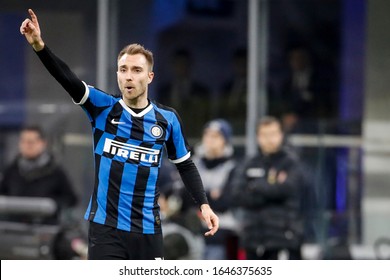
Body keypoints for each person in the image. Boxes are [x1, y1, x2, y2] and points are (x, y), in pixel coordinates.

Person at [20, 9, 218, 260]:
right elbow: (67, 78)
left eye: (136, 70)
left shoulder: (167, 119)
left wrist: (204, 204)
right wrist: (39, 46)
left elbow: (186, 166)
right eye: (123, 69)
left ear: (150, 76)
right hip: (106, 230)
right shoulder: (103, 107)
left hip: (148, 230)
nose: (128, 76)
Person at [231, 116, 305, 260]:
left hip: (283, 237)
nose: (269, 139)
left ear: (281, 135)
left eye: (273, 134)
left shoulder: (291, 163)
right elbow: (237, 194)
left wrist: (255, 186)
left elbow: (289, 189)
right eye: (264, 134)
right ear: (258, 137)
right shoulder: (249, 163)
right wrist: (273, 189)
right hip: (252, 237)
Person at [0, 125, 78, 225]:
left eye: (31, 142)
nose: (27, 146)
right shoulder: (11, 171)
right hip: (13, 228)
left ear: (42, 143)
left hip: (46, 230)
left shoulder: (56, 172)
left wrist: (51, 206)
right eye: (23, 141)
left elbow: (70, 199)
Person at [192, 119, 238, 259]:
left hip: (221, 233)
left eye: (216, 136)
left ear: (225, 140)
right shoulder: (192, 163)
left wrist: (198, 195)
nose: (210, 140)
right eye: (207, 135)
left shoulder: (233, 167)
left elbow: (225, 202)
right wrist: (211, 195)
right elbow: (183, 196)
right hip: (192, 230)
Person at [157, 48, 212, 138]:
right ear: (173, 65)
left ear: (190, 65)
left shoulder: (201, 91)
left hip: (194, 136)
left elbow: (206, 117)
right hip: (170, 137)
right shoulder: (164, 91)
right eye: (178, 64)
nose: (181, 67)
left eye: (184, 64)